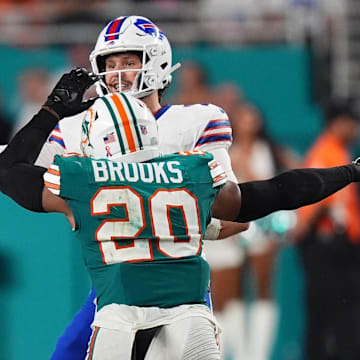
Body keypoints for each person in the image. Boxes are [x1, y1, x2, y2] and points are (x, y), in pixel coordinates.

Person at [2, 69, 360, 360]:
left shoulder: (82, 180)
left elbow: (7, 169)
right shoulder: (190, 171)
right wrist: (349, 172)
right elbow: (274, 192)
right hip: (189, 322)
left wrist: (51, 110)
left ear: (99, 140)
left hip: (118, 323)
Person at [31, 15, 248, 360]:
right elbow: (16, 166)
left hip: (178, 286)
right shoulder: (78, 128)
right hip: (115, 283)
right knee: (66, 354)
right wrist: (52, 112)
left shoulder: (194, 122)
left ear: (157, 62)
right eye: (111, 63)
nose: (117, 73)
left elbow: (239, 216)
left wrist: (166, 225)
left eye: (129, 62)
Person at [294, 100, 360, 360]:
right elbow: (317, 209)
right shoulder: (327, 153)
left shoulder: (337, 151)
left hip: (334, 249)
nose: (354, 128)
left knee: (331, 318)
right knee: (334, 319)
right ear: (338, 123)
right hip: (330, 249)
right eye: (351, 122)